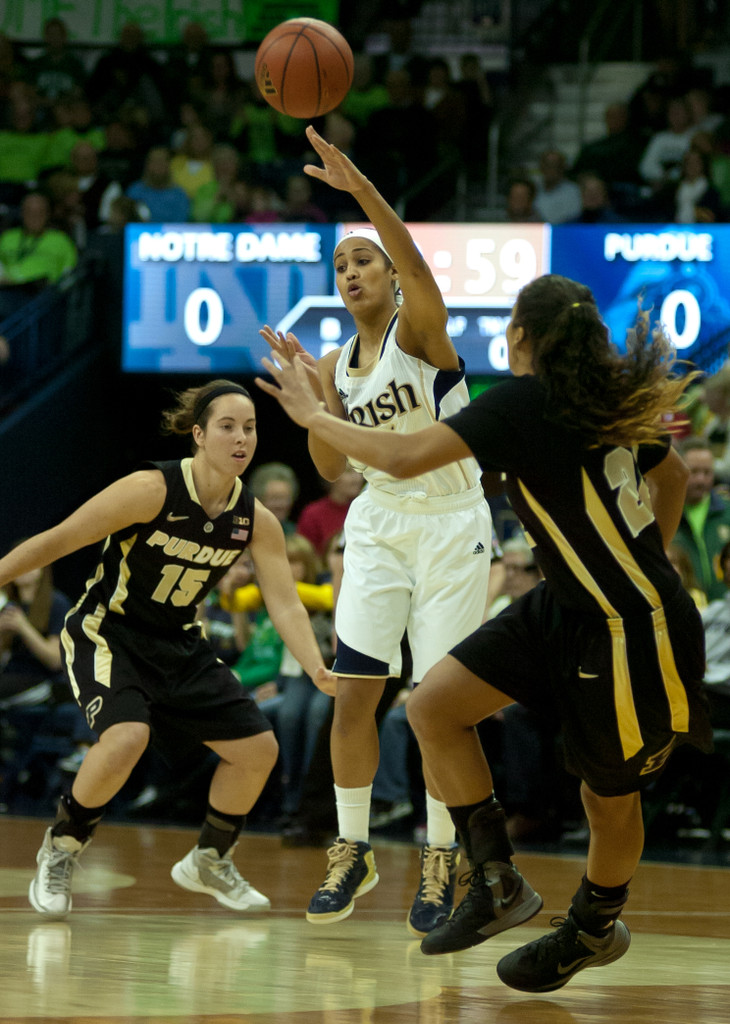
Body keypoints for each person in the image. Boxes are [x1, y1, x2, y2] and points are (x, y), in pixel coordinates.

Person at [257, 272, 713, 992]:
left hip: (631, 628)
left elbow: (403, 457)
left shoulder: (525, 403)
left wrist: (312, 414)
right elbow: (677, 477)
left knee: (608, 796)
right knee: (434, 706)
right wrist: (643, 549)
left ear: (522, 338)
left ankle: (592, 926)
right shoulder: (603, 396)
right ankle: (495, 876)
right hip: (564, 604)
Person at [259, 124, 492, 936]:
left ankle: (439, 856)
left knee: (434, 704)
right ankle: (351, 846)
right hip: (384, 522)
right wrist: (313, 403)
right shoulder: (340, 362)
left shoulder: (420, 333)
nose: (351, 272)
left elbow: (418, 262)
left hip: (454, 522)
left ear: (392, 278)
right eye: (341, 266)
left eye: (364, 262)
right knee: (353, 694)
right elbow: (329, 465)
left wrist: (360, 192)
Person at [0, 379, 335, 920]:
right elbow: (59, 539)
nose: (240, 438)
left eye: (249, 428)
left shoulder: (256, 519)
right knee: (128, 736)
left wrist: (317, 667)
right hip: (107, 630)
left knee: (257, 751)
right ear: (199, 435)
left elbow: (287, 604)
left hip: (179, 641)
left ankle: (209, 858)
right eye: (227, 426)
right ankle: (61, 848)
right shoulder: (151, 488)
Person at [672, 436, 730, 601]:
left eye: (707, 472)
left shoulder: (727, 512)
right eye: (694, 472)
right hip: (684, 611)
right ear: (679, 470)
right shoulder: (667, 514)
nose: (701, 480)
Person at [295, 467, 364, 560]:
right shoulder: (313, 514)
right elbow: (305, 558)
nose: (357, 478)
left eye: (359, 471)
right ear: (331, 476)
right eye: (349, 472)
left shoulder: (366, 510)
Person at [248, 462, 300, 536]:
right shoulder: (246, 531)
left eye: (284, 498)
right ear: (259, 500)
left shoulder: (294, 532)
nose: (280, 505)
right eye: (274, 498)